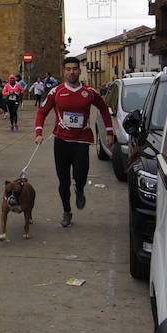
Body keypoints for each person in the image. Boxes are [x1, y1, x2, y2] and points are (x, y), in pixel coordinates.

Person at [35, 57, 114, 228]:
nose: (72, 72)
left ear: (79, 71)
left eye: (75, 69)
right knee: (63, 182)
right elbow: (42, 112)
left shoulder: (89, 92)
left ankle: (79, 188)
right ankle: (67, 211)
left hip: (82, 141)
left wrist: (109, 131)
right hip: (61, 142)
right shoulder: (56, 92)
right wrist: (39, 133)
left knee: (80, 175)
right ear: (64, 72)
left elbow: (103, 108)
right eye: (68, 69)